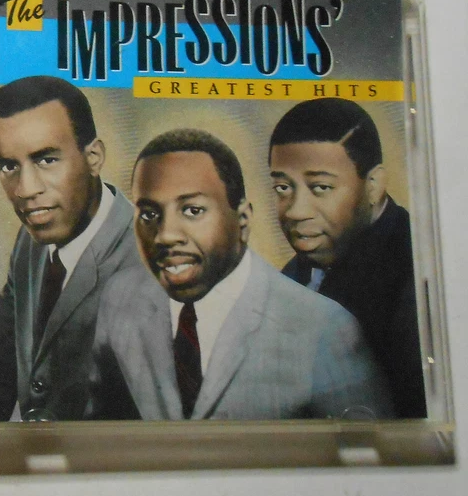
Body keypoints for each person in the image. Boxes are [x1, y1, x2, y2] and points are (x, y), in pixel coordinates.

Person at [94, 128, 393, 420]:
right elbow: (99, 426)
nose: (165, 235)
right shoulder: (119, 298)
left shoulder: (325, 329)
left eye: (192, 210)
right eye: (149, 214)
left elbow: (366, 446)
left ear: (243, 221)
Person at [0, 76, 143, 421]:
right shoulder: (30, 243)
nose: (25, 189)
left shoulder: (150, 260)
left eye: (46, 160)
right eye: (8, 166)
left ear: (93, 157)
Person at [269, 98, 426, 418]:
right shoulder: (294, 274)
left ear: (373, 186)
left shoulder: (417, 274)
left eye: (320, 187)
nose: (296, 211)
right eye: (283, 187)